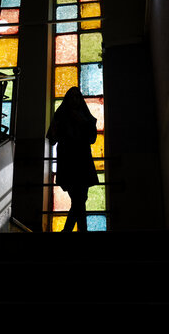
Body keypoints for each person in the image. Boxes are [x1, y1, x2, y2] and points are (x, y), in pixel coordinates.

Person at [46, 87, 99, 232]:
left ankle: (69, 231)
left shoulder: (84, 115)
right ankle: (75, 231)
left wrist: (83, 122)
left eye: (77, 97)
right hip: (69, 161)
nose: (75, 100)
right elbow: (51, 138)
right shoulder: (62, 115)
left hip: (81, 160)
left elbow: (92, 138)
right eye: (72, 97)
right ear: (68, 99)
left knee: (79, 199)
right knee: (79, 198)